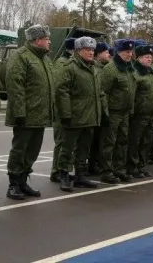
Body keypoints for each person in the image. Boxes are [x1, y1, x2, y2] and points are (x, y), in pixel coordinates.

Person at [4, 24, 54, 200]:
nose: (49, 42)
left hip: (40, 114)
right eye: (47, 39)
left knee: (33, 150)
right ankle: (13, 184)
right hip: (25, 114)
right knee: (20, 149)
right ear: (38, 40)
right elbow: (15, 85)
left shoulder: (45, 59)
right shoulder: (21, 56)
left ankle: (23, 181)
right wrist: (19, 112)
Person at [55, 36, 107, 191]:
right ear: (78, 51)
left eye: (92, 50)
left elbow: (100, 92)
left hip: (90, 116)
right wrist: (66, 114)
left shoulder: (94, 68)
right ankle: (63, 175)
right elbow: (61, 91)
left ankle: (80, 175)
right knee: (67, 149)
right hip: (74, 116)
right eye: (87, 50)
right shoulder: (69, 67)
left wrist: (104, 111)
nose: (91, 52)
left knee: (84, 148)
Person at [99, 39, 136, 183]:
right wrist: (105, 112)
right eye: (127, 52)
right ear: (119, 52)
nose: (130, 54)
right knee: (109, 143)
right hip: (113, 112)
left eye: (131, 52)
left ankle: (119, 169)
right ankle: (106, 171)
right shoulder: (111, 69)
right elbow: (103, 92)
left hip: (125, 112)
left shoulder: (128, 67)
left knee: (122, 141)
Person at [128, 44, 153, 178]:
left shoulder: (152, 73)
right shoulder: (135, 73)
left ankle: (141, 165)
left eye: (150, 57)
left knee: (146, 141)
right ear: (139, 58)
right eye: (146, 57)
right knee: (135, 141)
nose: (149, 59)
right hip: (139, 114)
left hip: (151, 113)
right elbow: (132, 95)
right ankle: (131, 166)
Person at [50, 37, 76, 182]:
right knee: (61, 141)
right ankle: (56, 171)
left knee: (67, 142)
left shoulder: (68, 63)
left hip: (69, 108)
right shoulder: (62, 63)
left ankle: (63, 169)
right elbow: (60, 88)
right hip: (61, 109)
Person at [88, 41, 112, 174]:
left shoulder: (105, 68)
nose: (109, 54)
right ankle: (90, 164)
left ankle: (94, 163)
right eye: (106, 52)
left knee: (99, 140)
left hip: (103, 109)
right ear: (98, 54)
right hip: (93, 109)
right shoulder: (95, 68)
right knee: (92, 140)